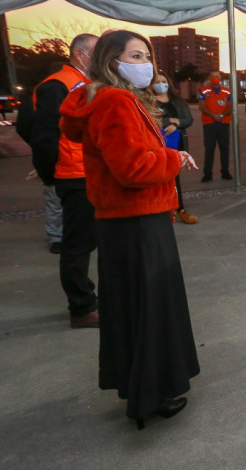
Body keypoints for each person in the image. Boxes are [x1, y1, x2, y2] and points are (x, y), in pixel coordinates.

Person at [59, 30, 199, 430]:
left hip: (125, 221)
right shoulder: (116, 101)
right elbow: (133, 168)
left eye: (148, 55)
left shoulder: (106, 99)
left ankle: (143, 391)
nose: (147, 63)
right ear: (111, 61)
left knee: (135, 310)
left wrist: (166, 154)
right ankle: (152, 394)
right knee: (151, 310)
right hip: (138, 219)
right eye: (136, 55)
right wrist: (171, 160)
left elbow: (129, 156)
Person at [30, 33, 100, 327]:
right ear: (80, 54)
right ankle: (82, 308)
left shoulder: (88, 84)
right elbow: (42, 135)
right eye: (97, 53)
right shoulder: (58, 85)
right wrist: (51, 174)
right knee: (77, 245)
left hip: (92, 172)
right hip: (75, 175)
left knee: (91, 240)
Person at [153, 71, 197, 224]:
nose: (160, 85)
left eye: (163, 81)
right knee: (158, 177)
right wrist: (167, 122)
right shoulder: (148, 101)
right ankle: (161, 209)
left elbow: (188, 119)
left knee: (174, 177)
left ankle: (180, 209)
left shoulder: (177, 101)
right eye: (157, 82)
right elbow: (149, 118)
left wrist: (176, 123)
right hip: (156, 146)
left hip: (176, 145)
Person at [198, 70, 232, 182]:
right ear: (209, 78)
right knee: (209, 149)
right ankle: (207, 174)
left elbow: (230, 107)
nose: (215, 78)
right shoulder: (203, 90)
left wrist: (221, 115)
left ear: (220, 78)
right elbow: (202, 106)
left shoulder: (227, 91)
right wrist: (214, 115)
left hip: (224, 124)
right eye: (213, 76)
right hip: (209, 124)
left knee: (224, 149)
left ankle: (225, 172)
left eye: (217, 76)